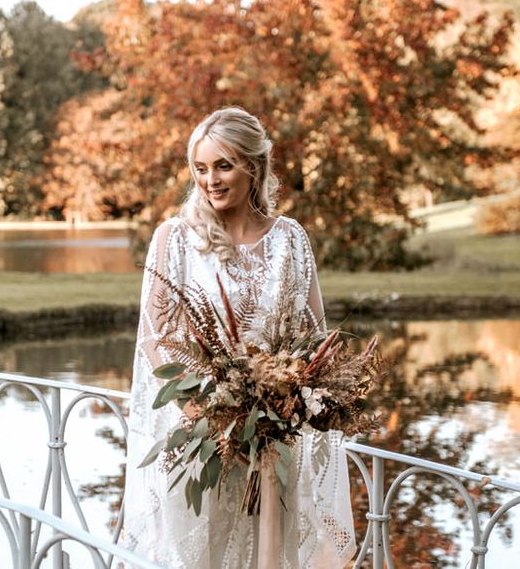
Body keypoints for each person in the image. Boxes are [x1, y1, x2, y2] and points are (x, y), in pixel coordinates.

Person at [121, 107, 356, 568]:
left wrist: (284, 404)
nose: (211, 180)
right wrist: (206, 413)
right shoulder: (174, 238)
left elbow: (313, 339)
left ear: (254, 165)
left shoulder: (290, 239)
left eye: (223, 165)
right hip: (202, 438)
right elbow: (155, 337)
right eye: (201, 169)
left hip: (273, 441)